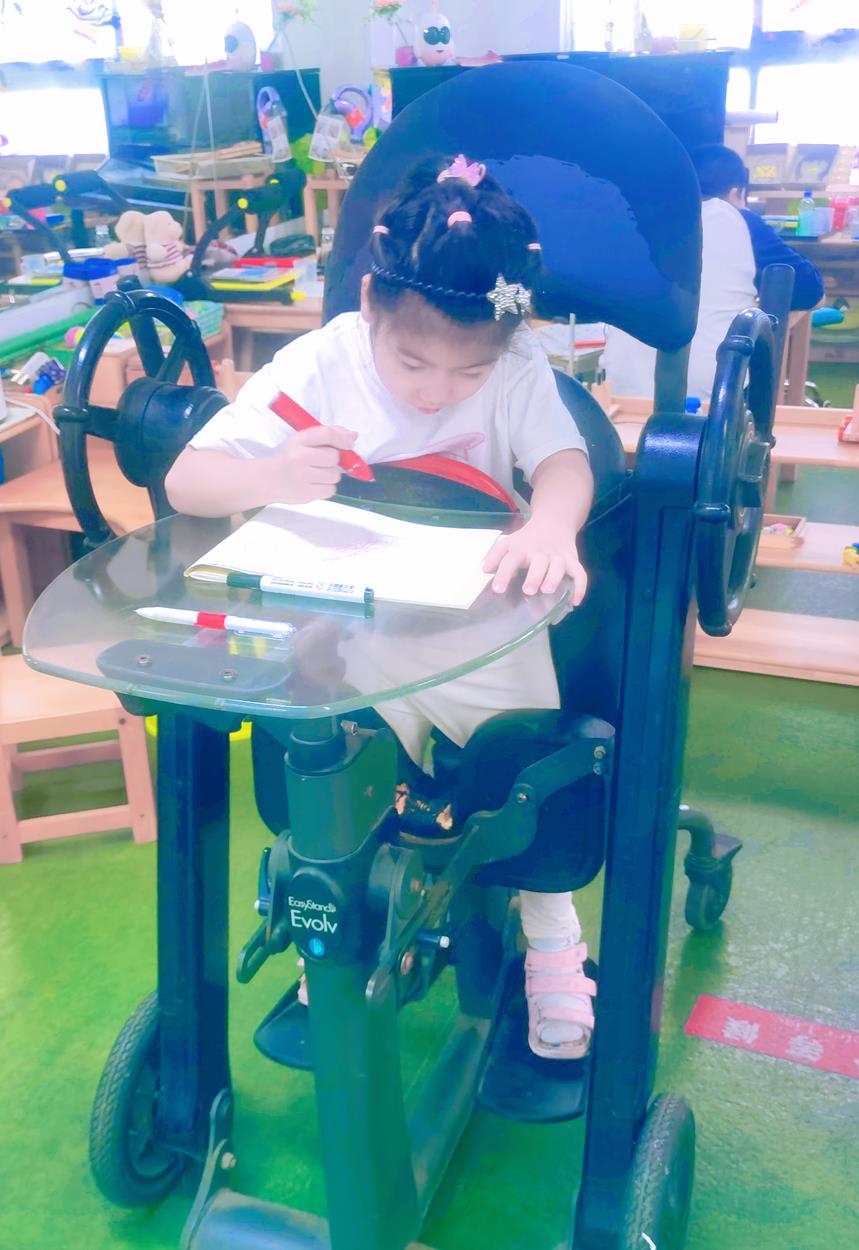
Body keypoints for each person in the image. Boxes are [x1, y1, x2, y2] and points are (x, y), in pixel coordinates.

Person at [165, 154, 598, 1061]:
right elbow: (186, 482)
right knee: (339, 779)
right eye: (411, 361)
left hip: (477, 624)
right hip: (349, 626)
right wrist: (271, 473)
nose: (436, 389)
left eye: (468, 371)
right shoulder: (322, 362)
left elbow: (564, 461)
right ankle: (345, 935)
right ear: (368, 303)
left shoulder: (518, 364)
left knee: (517, 773)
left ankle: (552, 932)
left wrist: (554, 524)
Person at [601, 143, 824, 403]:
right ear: (736, 192)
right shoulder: (739, 219)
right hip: (714, 393)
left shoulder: (640, 219)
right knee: (756, 328)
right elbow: (813, 293)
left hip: (619, 386)